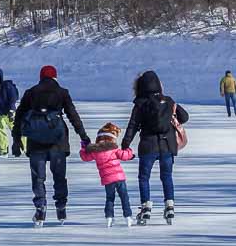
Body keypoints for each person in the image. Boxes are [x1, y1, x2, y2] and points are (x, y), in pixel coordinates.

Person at [13, 65, 90, 226]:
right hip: (58, 141)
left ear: (41, 77)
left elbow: (19, 115)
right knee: (59, 176)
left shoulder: (31, 92)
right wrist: (83, 136)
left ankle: (40, 207)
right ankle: (61, 206)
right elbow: (72, 115)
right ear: (55, 77)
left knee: (38, 177)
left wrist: (16, 138)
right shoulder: (62, 92)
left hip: (36, 141)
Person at [121, 70, 189, 226]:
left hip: (148, 146)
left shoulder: (140, 104)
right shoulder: (169, 101)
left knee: (144, 177)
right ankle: (169, 205)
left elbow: (133, 125)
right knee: (166, 176)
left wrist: (125, 144)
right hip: (167, 145)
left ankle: (146, 207)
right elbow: (185, 117)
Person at [79, 123, 135, 228]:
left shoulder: (95, 152)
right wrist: (129, 151)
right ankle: (128, 217)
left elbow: (85, 157)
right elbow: (125, 155)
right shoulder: (114, 149)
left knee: (110, 198)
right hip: (119, 178)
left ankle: (109, 217)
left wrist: (83, 148)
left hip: (107, 180)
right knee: (124, 197)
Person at [0, 68, 20, 158]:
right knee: (0, 133)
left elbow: (13, 99)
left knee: (17, 131)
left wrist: (11, 111)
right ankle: (3, 151)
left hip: (9, 112)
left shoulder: (7, 86)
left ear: (0, 76)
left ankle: (23, 148)